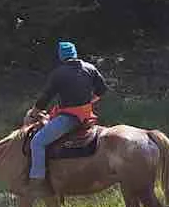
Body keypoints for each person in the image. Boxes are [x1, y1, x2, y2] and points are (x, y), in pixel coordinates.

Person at [27, 40, 108, 194]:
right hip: (87, 116)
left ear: (61, 56)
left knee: (37, 142)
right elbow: (102, 89)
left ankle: (36, 182)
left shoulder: (59, 73)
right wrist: (91, 100)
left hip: (70, 118)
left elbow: (46, 97)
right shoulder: (90, 68)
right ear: (75, 53)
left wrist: (35, 111)